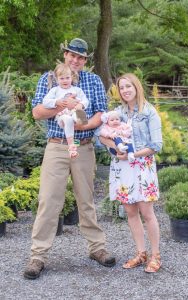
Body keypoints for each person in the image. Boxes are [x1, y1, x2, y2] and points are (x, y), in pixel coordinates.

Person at [24, 38, 116, 280]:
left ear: (85, 61)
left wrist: (80, 123)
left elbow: (100, 113)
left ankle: (97, 248)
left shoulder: (93, 81)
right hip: (56, 146)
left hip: (84, 148)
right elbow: (36, 112)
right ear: (65, 55)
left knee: (86, 199)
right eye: (71, 55)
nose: (75, 60)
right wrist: (62, 105)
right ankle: (38, 255)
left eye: (80, 57)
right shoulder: (49, 79)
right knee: (48, 200)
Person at [99, 73, 163, 273]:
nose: (125, 90)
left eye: (128, 86)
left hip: (142, 167)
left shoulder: (149, 112)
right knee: (130, 212)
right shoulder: (117, 112)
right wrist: (115, 148)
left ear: (136, 87)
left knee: (147, 212)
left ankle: (155, 255)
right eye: (122, 87)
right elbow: (100, 136)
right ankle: (140, 253)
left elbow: (156, 145)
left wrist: (132, 155)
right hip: (122, 168)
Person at [43, 63, 89, 157]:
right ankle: (71, 145)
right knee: (68, 120)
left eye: (67, 78)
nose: (65, 81)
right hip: (62, 116)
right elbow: (45, 102)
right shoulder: (55, 90)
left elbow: (85, 101)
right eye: (62, 78)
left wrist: (81, 104)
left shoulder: (77, 90)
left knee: (77, 114)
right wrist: (56, 102)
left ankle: (80, 120)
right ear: (57, 79)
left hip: (74, 112)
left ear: (71, 77)